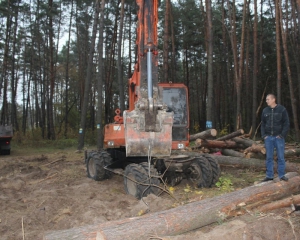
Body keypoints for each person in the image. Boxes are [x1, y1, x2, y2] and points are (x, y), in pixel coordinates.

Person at [261, 94, 290, 182]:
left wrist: (282, 135)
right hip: (268, 138)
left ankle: (281, 175)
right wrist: (264, 136)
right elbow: (262, 124)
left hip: (279, 138)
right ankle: (269, 175)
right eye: (266, 99)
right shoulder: (265, 110)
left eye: (268, 99)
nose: (266, 101)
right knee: (269, 157)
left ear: (274, 99)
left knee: (280, 157)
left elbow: (286, 123)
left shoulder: (282, 109)